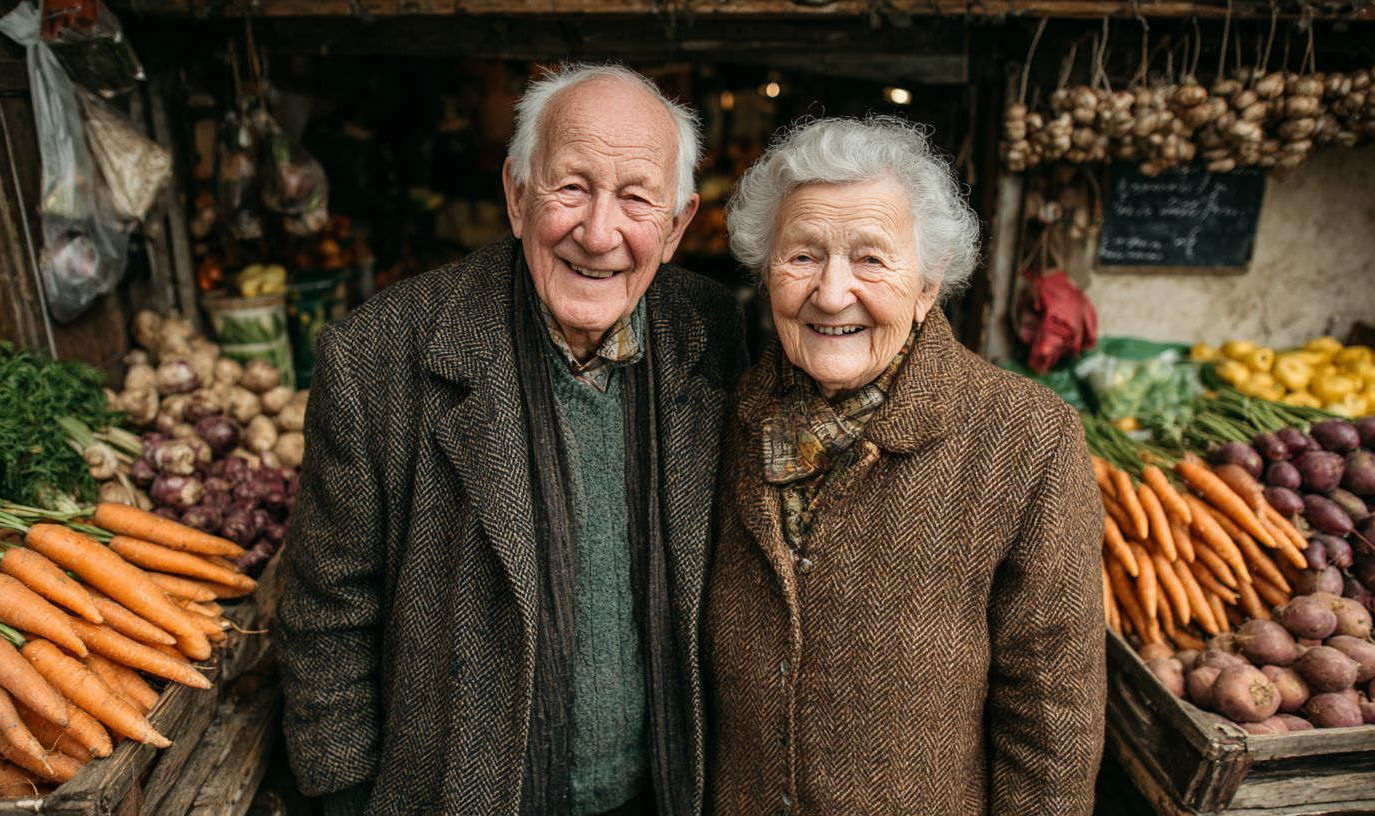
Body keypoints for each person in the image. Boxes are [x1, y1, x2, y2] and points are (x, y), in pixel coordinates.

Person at [278, 64, 748, 816]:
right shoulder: (379, 355)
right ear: (516, 194)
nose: (599, 234)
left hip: (666, 791)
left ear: (679, 224)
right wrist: (347, 797)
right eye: (570, 187)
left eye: (635, 198)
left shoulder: (718, 334)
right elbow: (325, 610)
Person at [704, 116, 1105, 816]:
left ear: (927, 282)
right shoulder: (727, 412)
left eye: (871, 259)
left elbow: (1052, 722)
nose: (831, 294)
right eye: (802, 256)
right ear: (766, 270)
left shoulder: (1025, 438)